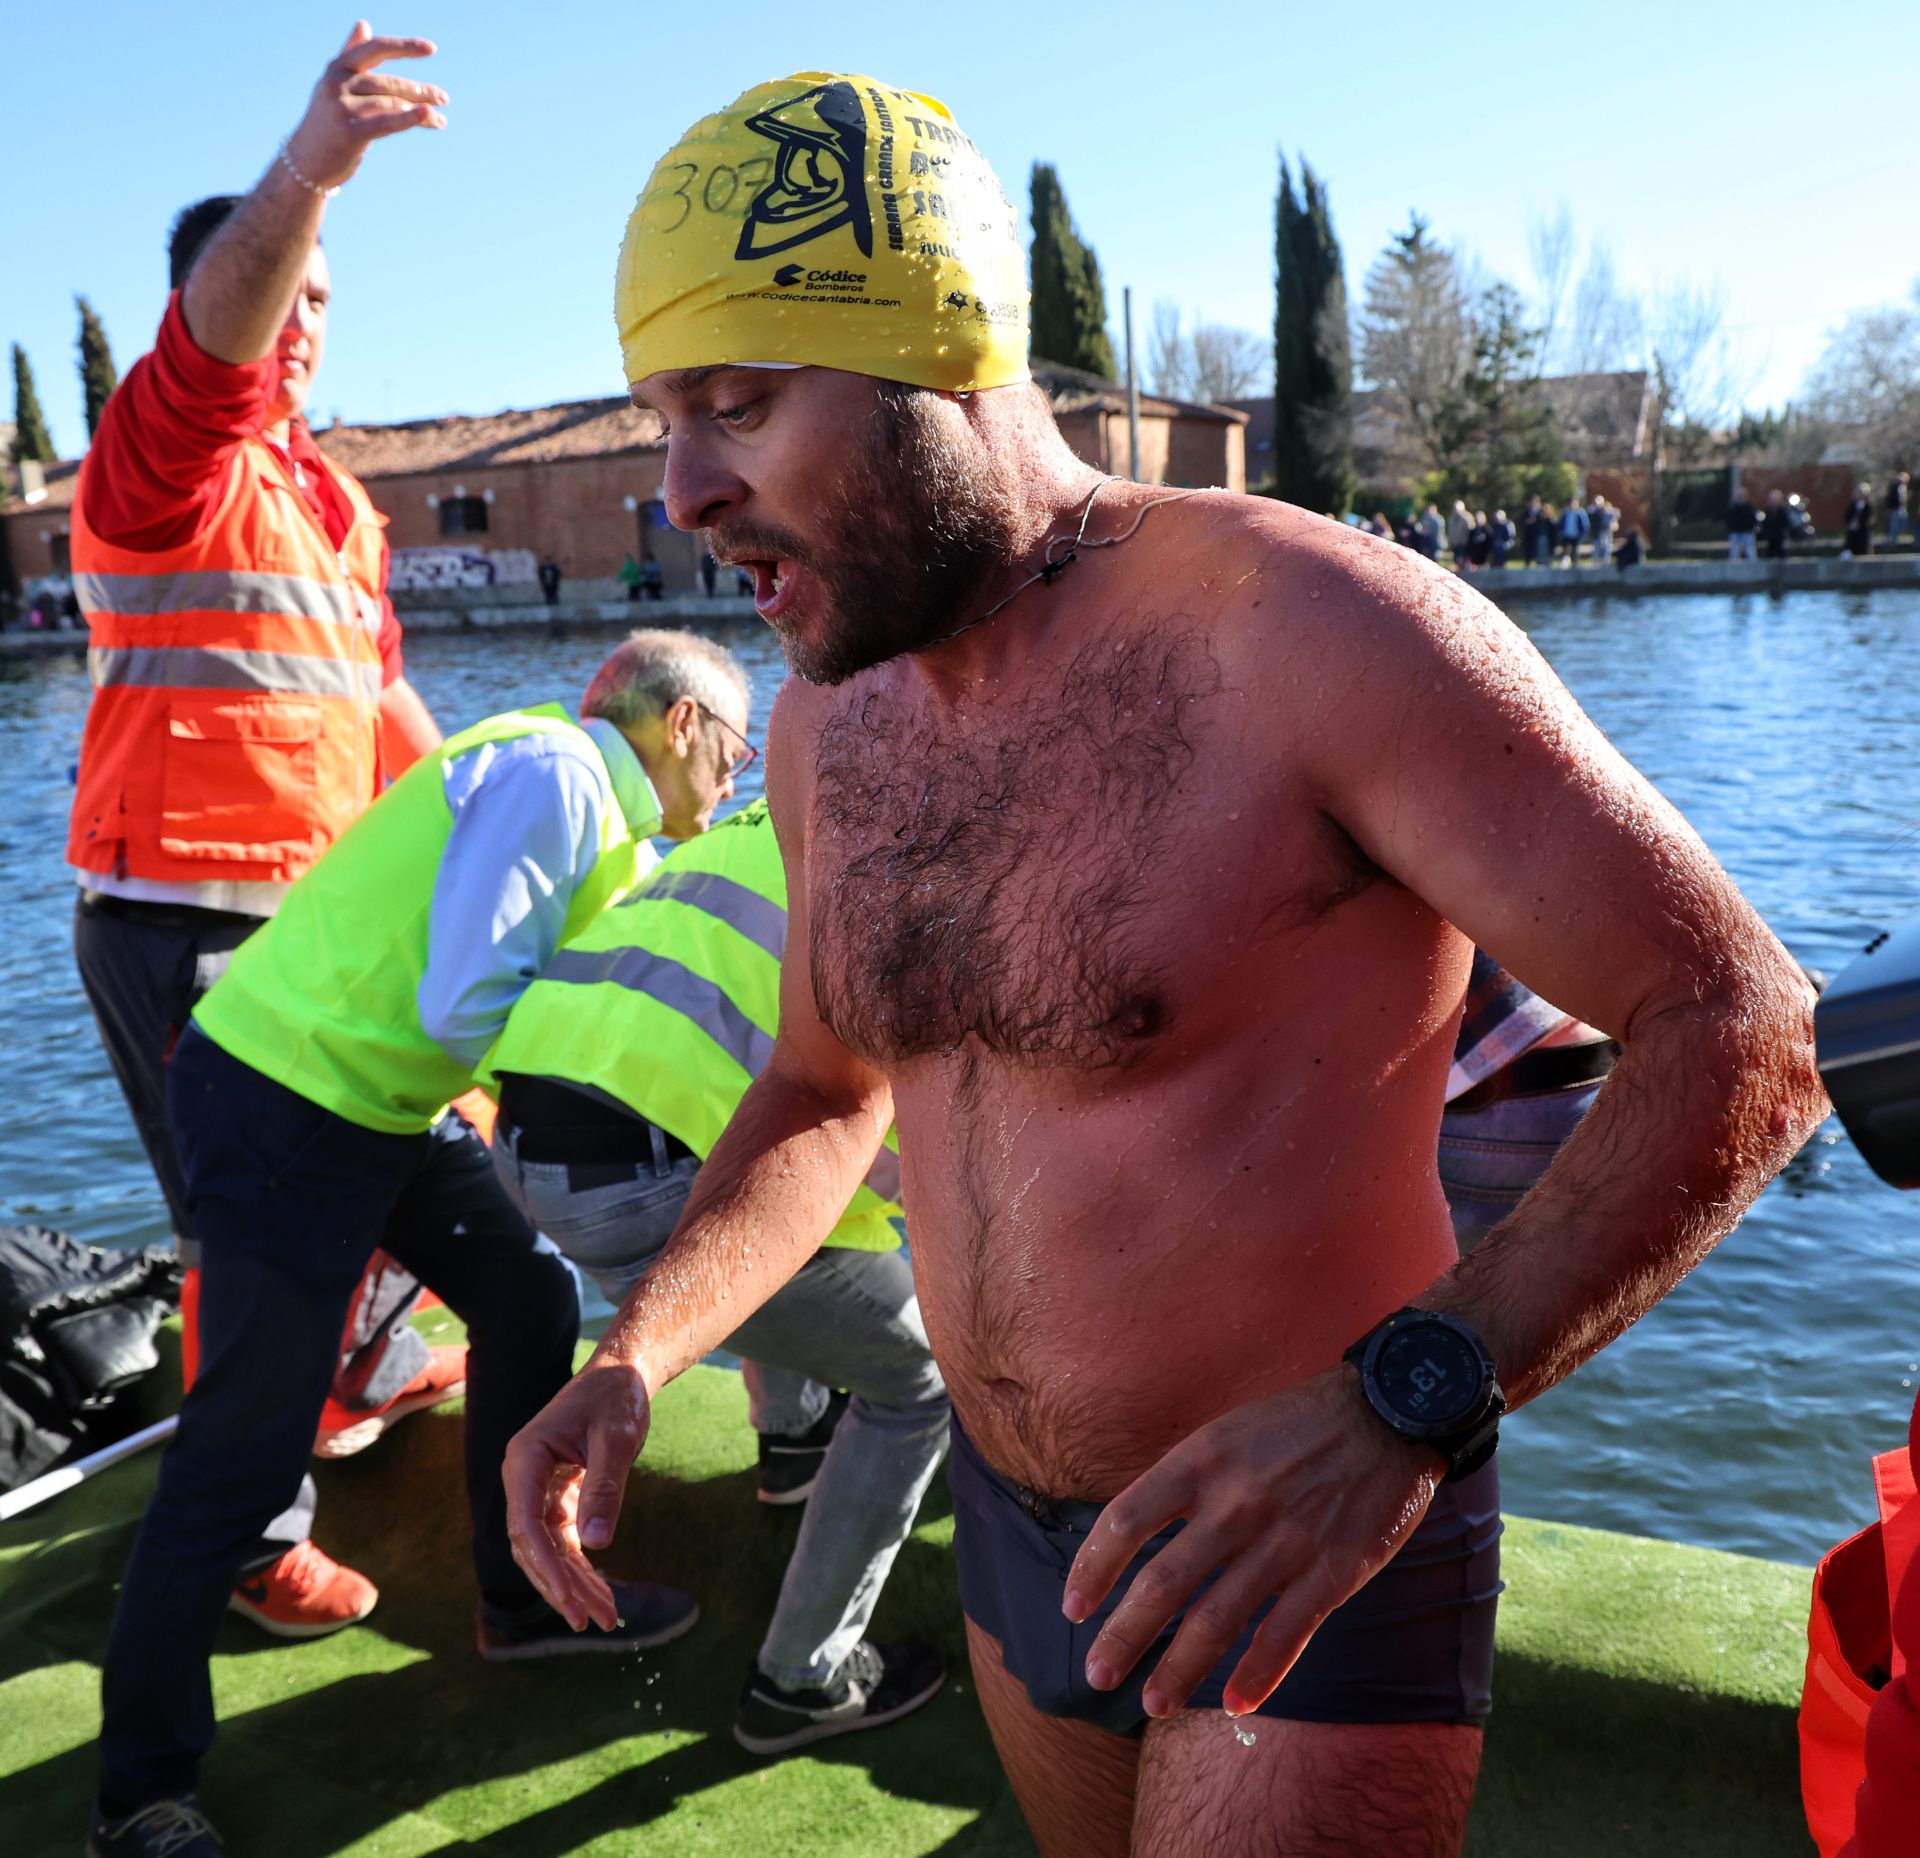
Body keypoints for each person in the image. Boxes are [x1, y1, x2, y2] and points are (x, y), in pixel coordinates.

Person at [503, 71, 1823, 1858]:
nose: (682, 491)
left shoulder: (1310, 631)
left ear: (945, 353)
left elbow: (1741, 1023)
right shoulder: (828, 729)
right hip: (1020, 1534)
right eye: (665, 419)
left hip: (1309, 1527)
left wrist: (1400, 1408)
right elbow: (827, 1091)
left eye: (735, 404)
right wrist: (641, 1354)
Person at [87, 625, 746, 1857]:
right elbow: (467, 1003)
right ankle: (138, 1796)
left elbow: (464, 1001)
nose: (737, 783)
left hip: (381, 1099)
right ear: (689, 728)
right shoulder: (559, 772)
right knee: (240, 1452)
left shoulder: (594, 812)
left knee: (530, 1297)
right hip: (286, 1099)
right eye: (740, 752)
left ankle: (517, 1595)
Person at [65, 25, 458, 1653]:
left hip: (305, 924)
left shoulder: (332, 502)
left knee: (412, 1159)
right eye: (280, 294)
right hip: (178, 926)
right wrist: (306, 176)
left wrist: (555, 826)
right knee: (250, 1238)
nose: (298, 329)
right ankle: (250, 1537)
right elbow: (220, 338)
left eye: (321, 307)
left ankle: (359, 1371)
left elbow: (381, 712)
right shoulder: (160, 466)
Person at [488, 798, 951, 1752]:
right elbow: (904, 1156)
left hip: (523, 1127)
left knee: (800, 1222)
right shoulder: (934, 868)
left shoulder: (783, 807)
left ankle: (790, 1443)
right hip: (650, 1171)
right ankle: (805, 1678)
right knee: (918, 1381)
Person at [1843, 483, 1875, 559]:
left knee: (1863, 554)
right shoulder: (1853, 504)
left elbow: (1870, 519)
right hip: (1853, 536)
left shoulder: (1869, 505)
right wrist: (1850, 524)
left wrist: (1859, 524)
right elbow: (1847, 516)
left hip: (1863, 535)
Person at [1557, 497, 1589, 567]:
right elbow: (1560, 524)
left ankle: (1575, 564)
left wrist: (1582, 535)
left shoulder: (1581, 513)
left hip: (1576, 536)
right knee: (1565, 550)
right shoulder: (1565, 513)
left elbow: (1585, 526)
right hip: (1566, 535)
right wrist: (1561, 533)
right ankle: (1564, 564)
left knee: (1575, 552)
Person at [1727, 488, 1758, 560]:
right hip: (1735, 532)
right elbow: (1729, 519)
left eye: (1742, 495)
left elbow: (1753, 519)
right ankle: (1732, 570)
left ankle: (1753, 568)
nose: (1741, 497)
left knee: (1750, 552)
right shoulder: (1733, 508)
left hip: (1748, 532)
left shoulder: (1750, 507)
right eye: (1739, 495)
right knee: (1734, 553)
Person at [1588, 495, 1616, 568]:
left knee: (1606, 548)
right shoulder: (1593, 511)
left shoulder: (1607, 510)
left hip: (1606, 534)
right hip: (1597, 534)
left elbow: (1614, 521)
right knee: (1597, 549)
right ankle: (1595, 565)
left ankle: (1605, 564)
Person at [1763, 487, 1791, 560]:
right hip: (1771, 538)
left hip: (1780, 537)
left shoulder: (1783, 512)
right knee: (1770, 555)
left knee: (1782, 555)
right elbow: (1765, 524)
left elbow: (1786, 524)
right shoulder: (1768, 511)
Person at [1884, 470, 1909, 547]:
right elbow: (1891, 498)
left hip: (1901, 508)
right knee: (1894, 526)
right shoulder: (1895, 486)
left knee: (1903, 523)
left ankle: (1894, 538)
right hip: (1895, 508)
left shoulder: (1903, 486)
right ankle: (1891, 542)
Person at [1519, 493, 1544, 567]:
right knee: (1528, 552)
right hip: (1528, 536)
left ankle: (1539, 564)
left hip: (1538, 535)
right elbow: (1521, 522)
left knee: (1538, 551)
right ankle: (1527, 564)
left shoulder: (1541, 512)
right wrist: (1528, 521)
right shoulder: (1526, 512)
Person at [1446, 498, 1471, 568]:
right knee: (1456, 563)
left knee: (1462, 563)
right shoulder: (1451, 518)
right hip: (1454, 544)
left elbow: (1470, 532)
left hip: (1463, 545)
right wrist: (1449, 542)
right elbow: (1450, 531)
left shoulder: (1467, 518)